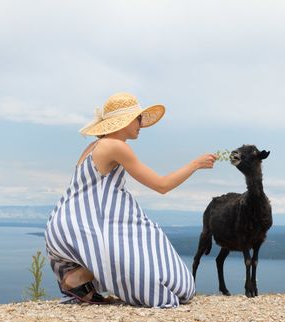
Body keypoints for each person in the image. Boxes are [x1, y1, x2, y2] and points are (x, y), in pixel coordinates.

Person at [44, 92, 217, 308]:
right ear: (124, 120)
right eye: (137, 118)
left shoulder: (94, 147)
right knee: (179, 284)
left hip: (67, 224)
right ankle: (79, 279)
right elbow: (161, 185)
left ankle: (78, 279)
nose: (141, 124)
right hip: (85, 226)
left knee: (143, 240)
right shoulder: (115, 146)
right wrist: (196, 164)